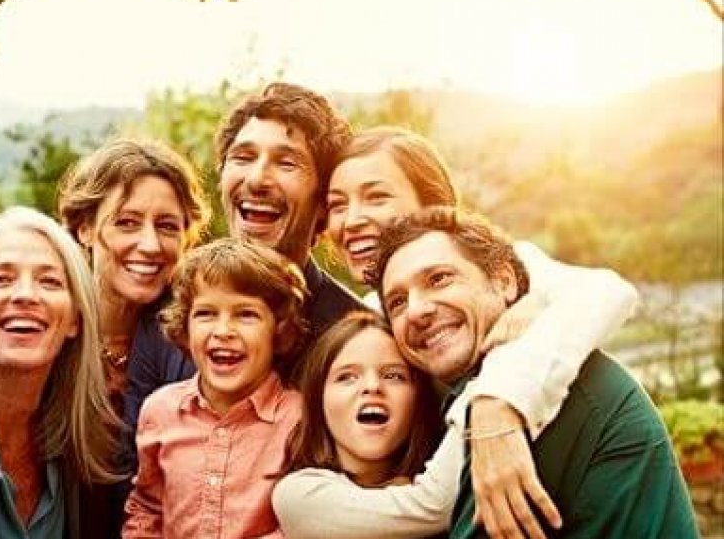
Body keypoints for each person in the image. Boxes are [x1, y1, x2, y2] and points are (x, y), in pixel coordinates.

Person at [273, 126, 639, 539]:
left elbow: (604, 293)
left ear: (435, 206)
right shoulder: (372, 317)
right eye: (338, 205)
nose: (352, 220)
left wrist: (497, 401)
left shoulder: (494, 272)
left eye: (376, 196)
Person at [372, 207, 697, 538]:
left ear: (504, 281)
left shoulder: (527, 396)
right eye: (397, 302)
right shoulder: (507, 382)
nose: (416, 311)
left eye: (439, 279)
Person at [125, 82, 368, 430]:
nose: (257, 179)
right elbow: (133, 468)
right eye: (243, 157)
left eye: (287, 162)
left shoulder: (354, 336)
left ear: (323, 201)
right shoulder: (167, 315)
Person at [0, 206, 121, 539]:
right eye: (1, 279)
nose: (24, 295)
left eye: (49, 281)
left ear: (74, 321)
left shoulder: (86, 446)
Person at [56, 138, 210, 530]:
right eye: (127, 222)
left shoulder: (200, 342)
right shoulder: (48, 330)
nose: (150, 244)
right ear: (86, 228)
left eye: (167, 226)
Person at [123, 238, 309, 538]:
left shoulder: (300, 420)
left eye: (246, 314)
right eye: (206, 314)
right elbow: (147, 506)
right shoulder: (159, 412)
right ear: (185, 327)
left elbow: (304, 523)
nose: (223, 331)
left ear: (279, 329)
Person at [274, 311, 444, 538]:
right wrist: (485, 398)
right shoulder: (298, 495)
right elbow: (434, 505)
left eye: (393, 376)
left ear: (419, 401)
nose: (372, 386)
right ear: (319, 400)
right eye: (347, 377)